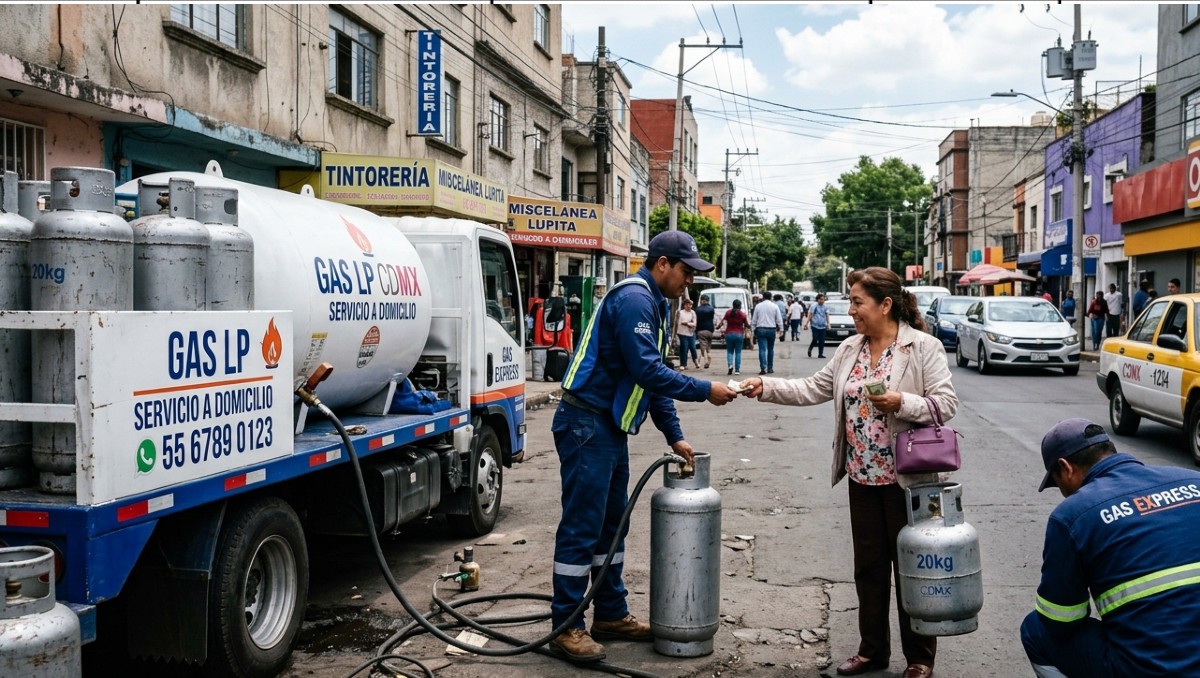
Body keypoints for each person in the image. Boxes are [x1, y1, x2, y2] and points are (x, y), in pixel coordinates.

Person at [739, 267, 957, 678]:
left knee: (911, 569)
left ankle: (920, 658)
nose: (851, 309)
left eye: (858, 301)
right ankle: (872, 651)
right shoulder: (849, 349)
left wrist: (901, 403)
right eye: (851, 301)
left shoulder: (922, 347)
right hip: (862, 478)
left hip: (908, 482)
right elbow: (812, 388)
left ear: (885, 305)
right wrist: (764, 386)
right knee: (869, 570)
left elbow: (945, 404)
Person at [549, 231, 740, 663]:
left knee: (611, 526)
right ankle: (566, 627)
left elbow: (651, 381)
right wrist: (704, 388)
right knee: (582, 527)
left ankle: (610, 613)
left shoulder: (655, 304)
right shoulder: (635, 299)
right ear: (662, 264)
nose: (688, 281)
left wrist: (675, 435)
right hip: (586, 424)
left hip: (607, 427)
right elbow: (648, 370)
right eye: (686, 272)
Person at [1020, 418, 1200, 677]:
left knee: (1036, 629)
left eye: (1058, 484)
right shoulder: (1194, 481)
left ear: (1065, 467)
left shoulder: (1072, 515)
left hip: (1149, 668)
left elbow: (1059, 622)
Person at [752, 291, 784, 375]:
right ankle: (770, 368)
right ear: (771, 297)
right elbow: (779, 319)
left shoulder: (758, 306)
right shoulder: (774, 306)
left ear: (763, 297)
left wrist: (753, 330)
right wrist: (781, 329)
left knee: (762, 349)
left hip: (761, 329)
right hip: (771, 330)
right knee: (770, 349)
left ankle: (763, 368)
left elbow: (754, 320)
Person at [716, 298, 749, 375]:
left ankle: (730, 365)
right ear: (740, 306)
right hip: (739, 334)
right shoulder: (742, 314)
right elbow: (747, 325)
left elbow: (722, 322)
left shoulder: (728, 313)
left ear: (733, 305)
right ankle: (737, 370)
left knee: (730, 351)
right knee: (738, 352)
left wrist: (717, 327)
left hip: (729, 334)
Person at [675, 298, 698, 370]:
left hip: (691, 333)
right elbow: (677, 322)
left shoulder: (693, 312)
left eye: (690, 305)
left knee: (693, 347)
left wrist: (687, 323)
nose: (689, 306)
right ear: (684, 305)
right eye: (687, 304)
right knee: (684, 348)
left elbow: (694, 323)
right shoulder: (680, 312)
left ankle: (695, 360)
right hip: (682, 332)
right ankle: (683, 364)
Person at [805, 294, 830, 359]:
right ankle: (810, 348)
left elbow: (827, 315)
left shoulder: (825, 306)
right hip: (815, 325)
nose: (822, 301)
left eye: (823, 299)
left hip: (823, 326)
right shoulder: (814, 306)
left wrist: (828, 324)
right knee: (815, 339)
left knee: (822, 340)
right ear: (818, 299)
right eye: (821, 299)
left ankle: (820, 354)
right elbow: (810, 314)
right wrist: (806, 323)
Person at [695, 294, 715, 369]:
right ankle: (708, 357)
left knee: (703, 347)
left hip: (701, 330)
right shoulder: (711, 309)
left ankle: (706, 361)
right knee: (708, 347)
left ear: (702, 300)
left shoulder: (697, 309)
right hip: (710, 330)